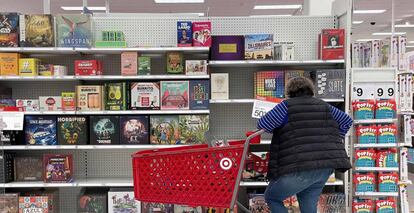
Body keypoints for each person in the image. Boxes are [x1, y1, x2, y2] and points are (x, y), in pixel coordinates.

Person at [257, 77, 352, 213]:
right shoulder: (324, 105)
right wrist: (335, 137)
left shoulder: (286, 106)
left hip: (298, 167)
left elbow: (263, 124)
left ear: (289, 92)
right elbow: (346, 120)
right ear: (311, 90)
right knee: (308, 203)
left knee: (272, 197)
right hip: (323, 168)